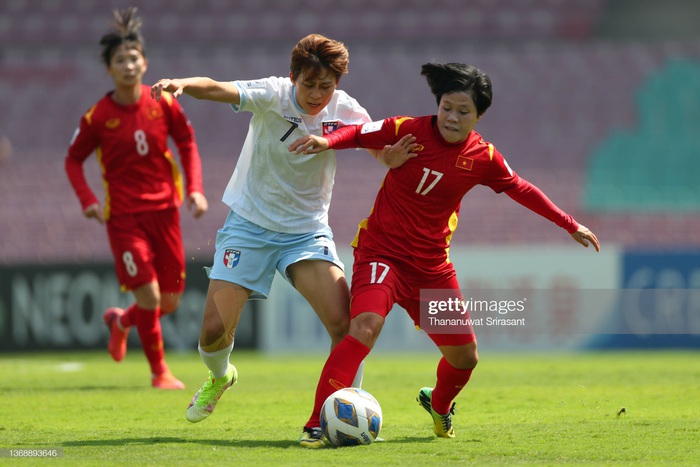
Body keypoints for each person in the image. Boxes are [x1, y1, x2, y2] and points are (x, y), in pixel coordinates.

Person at [289, 62, 601, 443]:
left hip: (431, 270)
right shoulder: (409, 130)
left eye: (463, 111)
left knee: (465, 359)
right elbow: (358, 133)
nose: (451, 117)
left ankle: (438, 406)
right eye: (446, 107)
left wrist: (569, 223)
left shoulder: (483, 157)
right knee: (365, 327)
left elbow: (520, 188)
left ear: (479, 115)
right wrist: (327, 141)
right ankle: (316, 424)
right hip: (382, 255)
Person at [150, 34, 415, 444]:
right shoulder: (273, 94)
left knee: (345, 324)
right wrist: (182, 83)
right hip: (249, 226)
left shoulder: (347, 111)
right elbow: (219, 88)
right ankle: (221, 377)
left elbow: (377, 148)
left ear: (337, 84)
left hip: (307, 233)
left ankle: (333, 412)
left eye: (325, 86)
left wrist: (390, 158)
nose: (316, 94)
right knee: (213, 331)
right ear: (293, 77)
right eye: (308, 84)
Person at [65, 7, 208, 390]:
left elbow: (187, 142)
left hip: (166, 211)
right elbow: (73, 159)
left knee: (171, 301)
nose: (128, 65)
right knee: (149, 293)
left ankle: (122, 321)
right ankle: (159, 371)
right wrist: (87, 200)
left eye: (133, 58)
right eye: (119, 60)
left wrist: (194, 188)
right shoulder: (98, 116)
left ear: (145, 63)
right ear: (109, 69)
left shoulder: (162, 101)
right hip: (125, 217)